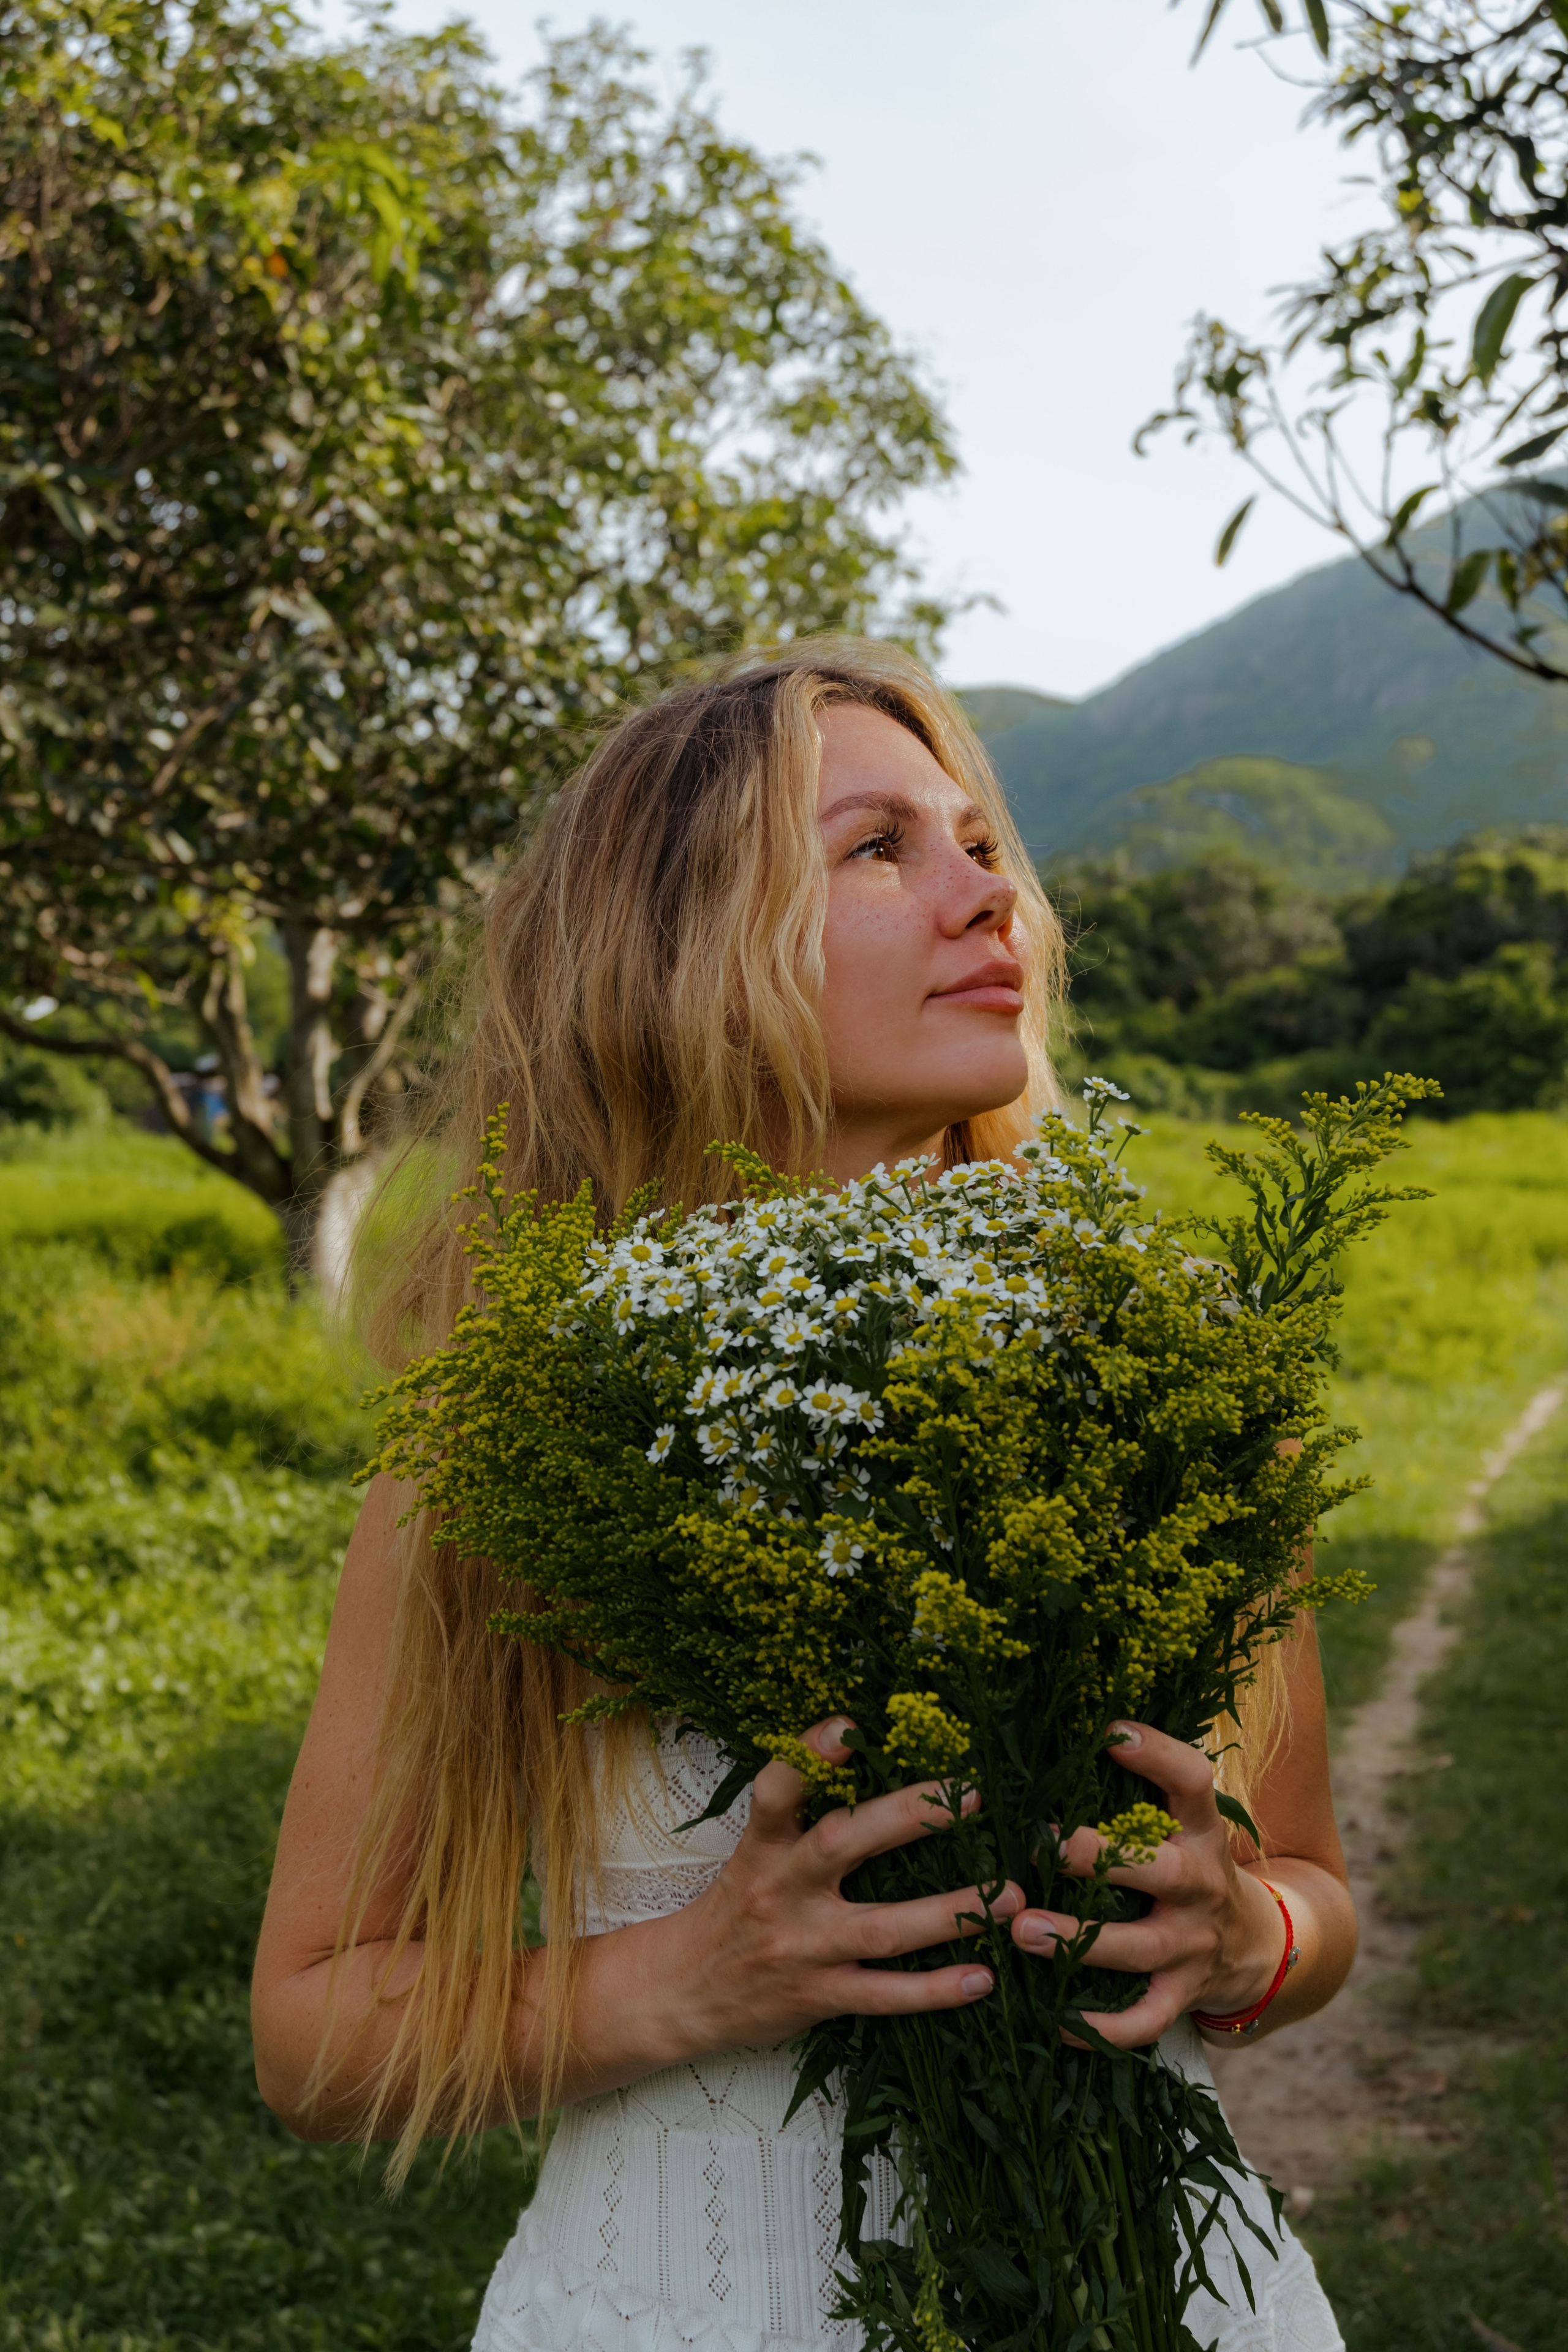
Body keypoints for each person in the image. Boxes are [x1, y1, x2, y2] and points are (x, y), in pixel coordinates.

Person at [251, 640, 1355, 2352]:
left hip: (1173, 2309)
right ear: (681, 954)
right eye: (876, 850)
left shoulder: (1172, 1387)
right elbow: (315, 2034)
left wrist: (1241, 1938)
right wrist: (688, 1979)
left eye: (982, 846)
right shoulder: (511, 1454)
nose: (989, 901)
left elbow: (1314, 1892)